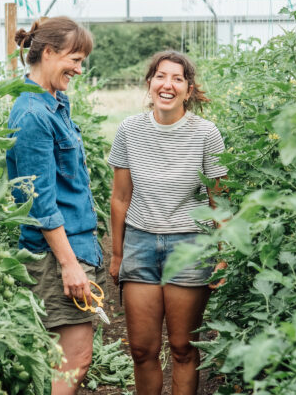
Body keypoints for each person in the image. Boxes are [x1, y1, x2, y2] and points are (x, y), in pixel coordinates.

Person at [108, 50, 228, 395]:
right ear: (150, 83)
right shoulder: (130, 130)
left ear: (188, 90)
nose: (168, 84)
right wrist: (117, 254)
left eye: (177, 79)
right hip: (140, 243)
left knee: (182, 348)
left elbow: (218, 199)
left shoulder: (206, 134)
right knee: (142, 350)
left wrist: (224, 253)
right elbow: (120, 198)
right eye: (161, 76)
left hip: (189, 245)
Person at [6, 16, 104, 395]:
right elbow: (39, 202)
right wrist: (70, 266)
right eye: (75, 60)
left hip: (73, 247)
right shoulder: (32, 114)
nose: (79, 69)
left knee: (70, 358)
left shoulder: (53, 103)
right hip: (56, 255)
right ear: (48, 53)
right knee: (74, 359)